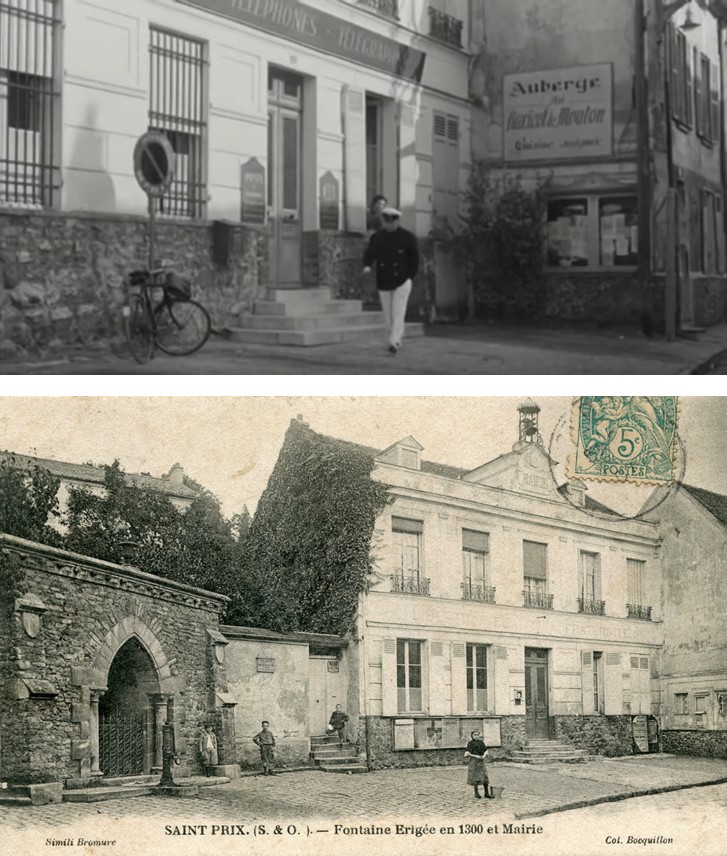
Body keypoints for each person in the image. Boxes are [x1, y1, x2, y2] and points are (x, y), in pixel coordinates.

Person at [362, 206, 419, 354]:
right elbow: (369, 254)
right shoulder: (377, 237)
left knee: (398, 312)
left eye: (393, 222)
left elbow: (414, 259)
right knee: (387, 314)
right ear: (383, 221)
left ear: (397, 221)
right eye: (387, 222)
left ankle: (395, 341)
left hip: (402, 280)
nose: (390, 225)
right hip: (384, 279)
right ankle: (392, 337)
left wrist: (410, 278)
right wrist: (367, 265)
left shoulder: (408, 237)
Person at [464, 729, 492, 799]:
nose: (476, 736)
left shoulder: (481, 742)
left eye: (477, 735)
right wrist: (475, 756)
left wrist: (484, 756)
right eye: (475, 735)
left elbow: (486, 750)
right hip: (474, 761)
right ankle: (476, 793)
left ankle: (486, 793)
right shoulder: (470, 743)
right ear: (472, 736)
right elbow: (467, 754)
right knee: (475, 777)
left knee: (485, 776)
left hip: (481, 761)